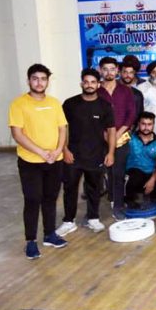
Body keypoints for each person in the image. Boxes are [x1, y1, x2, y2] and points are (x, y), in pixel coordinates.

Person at [9, 64, 68, 259]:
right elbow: (17, 134)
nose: (39, 82)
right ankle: (31, 241)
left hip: (54, 160)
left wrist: (58, 150)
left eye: (43, 79)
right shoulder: (19, 104)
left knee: (50, 198)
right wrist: (41, 152)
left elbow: (62, 128)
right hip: (30, 161)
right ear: (29, 81)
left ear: (47, 82)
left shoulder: (54, 103)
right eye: (35, 78)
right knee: (33, 199)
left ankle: (50, 234)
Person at [57, 69, 115, 237]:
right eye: (86, 82)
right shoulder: (70, 104)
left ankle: (93, 217)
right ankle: (68, 221)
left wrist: (110, 153)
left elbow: (111, 130)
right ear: (82, 83)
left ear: (98, 84)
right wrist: (64, 149)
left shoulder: (105, 106)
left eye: (93, 82)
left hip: (96, 155)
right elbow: (61, 128)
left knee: (94, 188)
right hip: (72, 156)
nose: (89, 85)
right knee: (70, 189)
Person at [97, 57, 136, 220]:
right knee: (104, 173)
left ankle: (118, 206)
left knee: (119, 173)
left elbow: (131, 114)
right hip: (100, 139)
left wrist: (118, 133)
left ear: (117, 71)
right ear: (100, 70)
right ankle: (107, 201)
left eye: (112, 69)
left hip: (121, 138)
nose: (109, 72)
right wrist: (104, 134)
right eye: (105, 69)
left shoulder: (126, 91)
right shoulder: (96, 91)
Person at [125, 112, 156, 209]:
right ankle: (132, 197)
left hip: (151, 174)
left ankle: (149, 196)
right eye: (143, 124)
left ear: (153, 125)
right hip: (133, 174)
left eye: (149, 124)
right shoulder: (129, 138)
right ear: (138, 124)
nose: (146, 127)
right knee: (136, 176)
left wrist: (152, 179)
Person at [120, 55, 144, 119]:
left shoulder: (144, 84)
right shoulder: (116, 84)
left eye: (131, 72)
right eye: (125, 72)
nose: (128, 75)